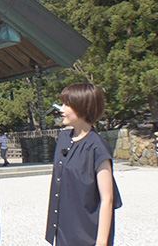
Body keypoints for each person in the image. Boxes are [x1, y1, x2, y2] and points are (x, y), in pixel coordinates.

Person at [45, 83, 122, 246]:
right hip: (63, 231)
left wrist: (101, 242)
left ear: (82, 107)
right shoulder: (63, 139)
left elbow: (107, 198)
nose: (61, 109)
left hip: (86, 235)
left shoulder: (97, 148)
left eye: (67, 104)